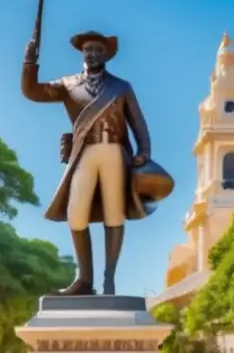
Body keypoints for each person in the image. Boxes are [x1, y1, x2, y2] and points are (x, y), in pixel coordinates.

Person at [21, 24, 173, 296]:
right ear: (82, 53)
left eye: (97, 50)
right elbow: (32, 91)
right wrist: (30, 61)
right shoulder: (67, 85)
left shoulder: (121, 87)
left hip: (114, 151)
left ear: (106, 55)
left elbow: (138, 123)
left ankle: (109, 280)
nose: (92, 53)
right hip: (84, 152)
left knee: (114, 213)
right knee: (75, 213)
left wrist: (144, 151)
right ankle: (84, 280)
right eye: (88, 49)